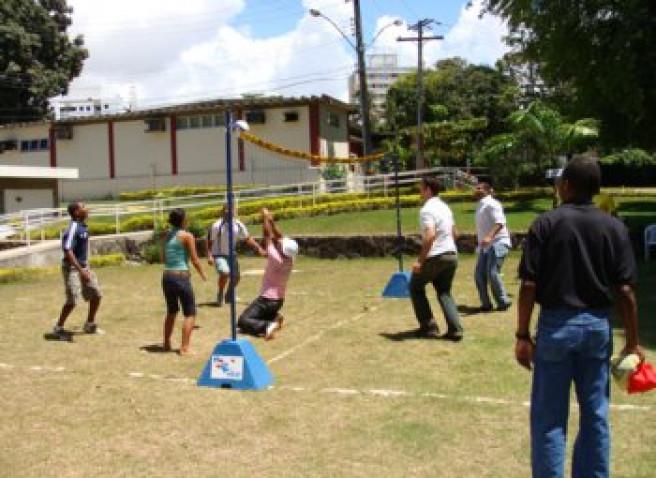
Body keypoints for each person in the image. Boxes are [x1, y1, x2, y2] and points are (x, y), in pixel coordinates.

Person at [515, 155, 644, 478]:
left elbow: (529, 285)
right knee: (596, 415)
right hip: (597, 327)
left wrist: (522, 335)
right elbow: (625, 291)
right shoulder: (614, 227)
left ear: (567, 185)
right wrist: (632, 342)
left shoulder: (545, 223)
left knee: (549, 418)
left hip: (556, 326)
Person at [409, 176, 463, 341]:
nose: (419, 190)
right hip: (452, 255)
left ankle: (428, 326)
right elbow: (456, 234)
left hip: (437, 255)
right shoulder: (445, 207)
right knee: (444, 292)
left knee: (415, 286)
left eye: (421, 187)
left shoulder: (427, 209)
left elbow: (430, 235)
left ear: (428, 189)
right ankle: (455, 330)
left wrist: (420, 261)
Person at [237, 208, 298, 340]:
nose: (279, 242)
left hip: (266, 300)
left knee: (242, 321)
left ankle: (267, 326)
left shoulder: (276, 258)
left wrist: (265, 218)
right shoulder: (290, 259)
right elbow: (279, 237)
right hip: (278, 301)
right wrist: (272, 221)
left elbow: (267, 236)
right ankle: (274, 316)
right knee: (250, 320)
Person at [52, 202, 103, 340]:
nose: (87, 209)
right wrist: (81, 271)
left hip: (83, 267)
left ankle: (90, 324)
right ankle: (58, 328)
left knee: (96, 295)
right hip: (72, 268)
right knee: (72, 300)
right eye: (83, 207)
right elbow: (67, 249)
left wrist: (85, 268)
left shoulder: (83, 227)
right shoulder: (73, 228)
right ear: (76, 212)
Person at [161, 208, 207, 355]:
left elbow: (163, 258)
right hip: (181, 276)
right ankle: (184, 348)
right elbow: (194, 259)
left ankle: (166, 343)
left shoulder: (166, 235)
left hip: (167, 276)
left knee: (171, 311)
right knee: (190, 313)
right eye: (186, 218)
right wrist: (202, 274)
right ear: (182, 221)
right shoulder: (187, 236)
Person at [206, 205, 265, 306]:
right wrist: (209, 255)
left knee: (236, 277)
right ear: (222, 212)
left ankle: (229, 295)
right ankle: (220, 294)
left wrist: (258, 248)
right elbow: (209, 241)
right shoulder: (217, 225)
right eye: (226, 210)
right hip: (219, 254)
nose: (228, 212)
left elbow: (247, 238)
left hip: (232, 255)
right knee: (225, 272)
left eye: (230, 210)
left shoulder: (238, 224)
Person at [474, 181, 512, 312]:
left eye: (480, 188)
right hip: (485, 246)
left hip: (498, 242)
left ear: (488, 191)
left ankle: (503, 301)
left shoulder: (492, 204)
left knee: (492, 272)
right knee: (479, 275)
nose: (477, 190)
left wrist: (490, 236)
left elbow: (500, 222)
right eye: (476, 188)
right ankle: (486, 304)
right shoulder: (480, 206)